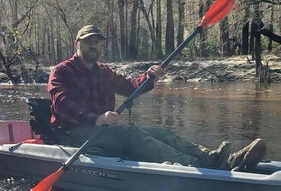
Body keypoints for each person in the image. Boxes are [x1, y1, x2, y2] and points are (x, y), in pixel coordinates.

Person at [48, 25, 266, 171]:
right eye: (88, 42)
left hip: (101, 131)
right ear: (77, 43)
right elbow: (61, 103)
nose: (93, 46)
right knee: (131, 133)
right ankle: (200, 166)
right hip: (72, 134)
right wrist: (95, 118)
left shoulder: (103, 71)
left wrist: (148, 77)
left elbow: (131, 85)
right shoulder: (62, 71)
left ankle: (211, 158)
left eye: (97, 42)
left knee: (162, 132)